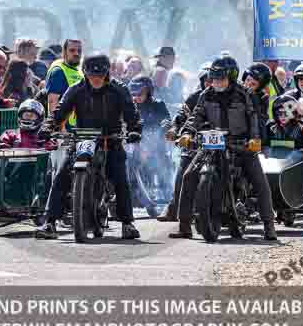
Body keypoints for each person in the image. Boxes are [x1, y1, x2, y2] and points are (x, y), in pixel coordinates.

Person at [35, 52, 142, 240]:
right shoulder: (76, 89)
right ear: (85, 73)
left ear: (107, 73)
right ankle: (50, 223)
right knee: (61, 175)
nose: (96, 80)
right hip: (82, 139)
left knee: (120, 177)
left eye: (100, 76)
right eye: (92, 76)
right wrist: (47, 127)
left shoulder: (119, 89)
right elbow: (59, 112)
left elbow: (132, 114)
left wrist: (135, 130)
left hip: (111, 139)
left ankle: (127, 223)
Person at [175, 56, 277, 241]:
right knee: (189, 175)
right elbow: (196, 116)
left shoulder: (244, 94)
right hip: (213, 142)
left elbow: (253, 117)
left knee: (259, 181)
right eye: (213, 78)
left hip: (240, 143)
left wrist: (254, 139)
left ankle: (269, 226)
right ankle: (184, 226)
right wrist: (187, 133)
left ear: (231, 77)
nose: (216, 82)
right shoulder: (206, 94)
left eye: (220, 78)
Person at [158, 62, 214, 222]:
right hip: (196, 141)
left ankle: (265, 217)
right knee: (182, 170)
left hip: (224, 144)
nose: (210, 84)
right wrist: (175, 128)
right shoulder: (195, 97)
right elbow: (183, 115)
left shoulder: (230, 96)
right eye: (207, 81)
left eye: (214, 80)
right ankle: (174, 207)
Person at [45, 39, 83, 126]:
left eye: (79, 51)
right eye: (72, 50)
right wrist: (58, 128)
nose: (76, 54)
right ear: (64, 52)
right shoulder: (58, 71)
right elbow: (52, 102)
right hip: (64, 130)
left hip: (77, 127)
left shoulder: (79, 71)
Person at [242, 62, 273, 142]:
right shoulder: (236, 93)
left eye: (253, 84)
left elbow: (261, 124)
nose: (248, 84)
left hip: (252, 140)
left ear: (260, 87)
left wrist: (254, 100)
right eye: (247, 80)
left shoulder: (262, 99)